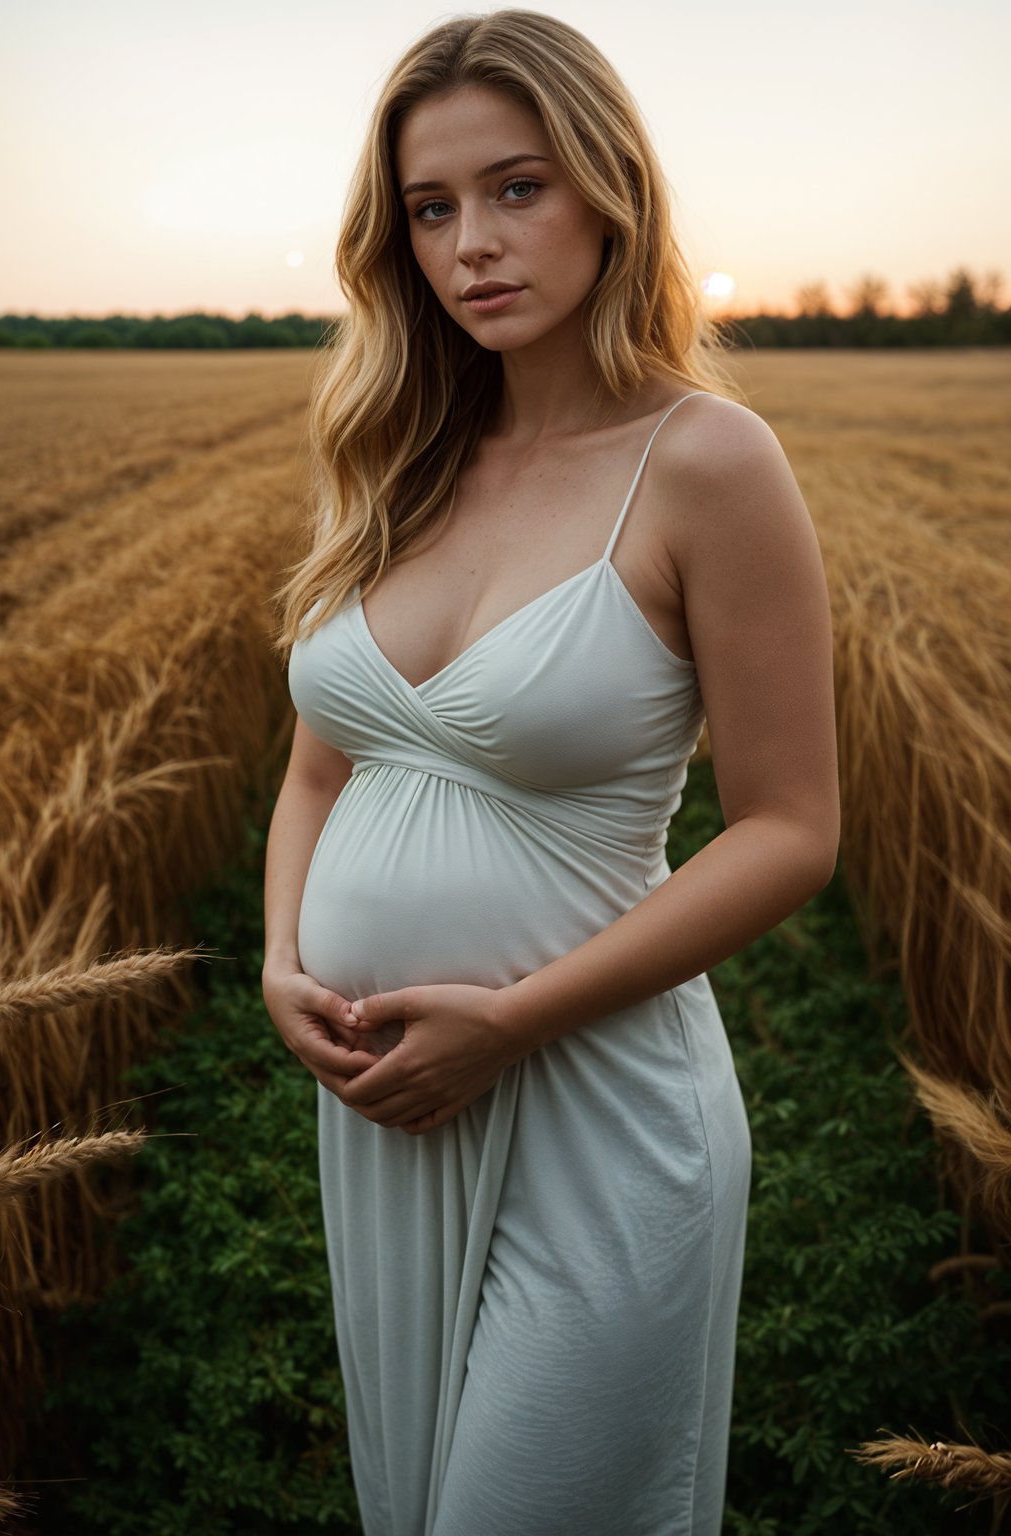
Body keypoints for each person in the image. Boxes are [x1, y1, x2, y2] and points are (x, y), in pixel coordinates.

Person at [262, 9, 840, 1534]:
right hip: (390, 1108)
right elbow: (322, 768)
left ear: (610, 190)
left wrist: (507, 1024)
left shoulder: (706, 463)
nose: (473, 245)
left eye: (517, 188)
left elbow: (790, 830)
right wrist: (275, 960)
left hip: (593, 1103)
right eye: (432, 209)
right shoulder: (404, 459)